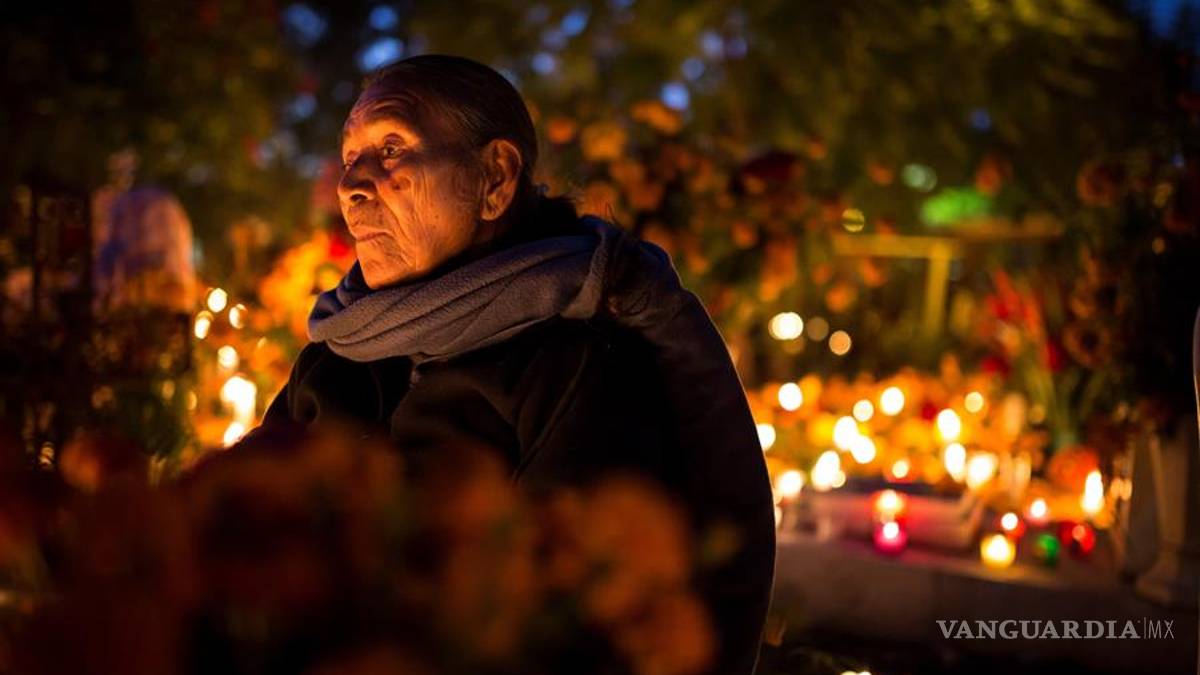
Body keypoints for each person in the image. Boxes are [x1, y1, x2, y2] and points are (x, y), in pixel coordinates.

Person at [253, 54, 775, 675]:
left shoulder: (575, 367)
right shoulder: (335, 355)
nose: (351, 186)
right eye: (349, 158)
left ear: (495, 178)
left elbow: (564, 633)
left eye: (391, 149)